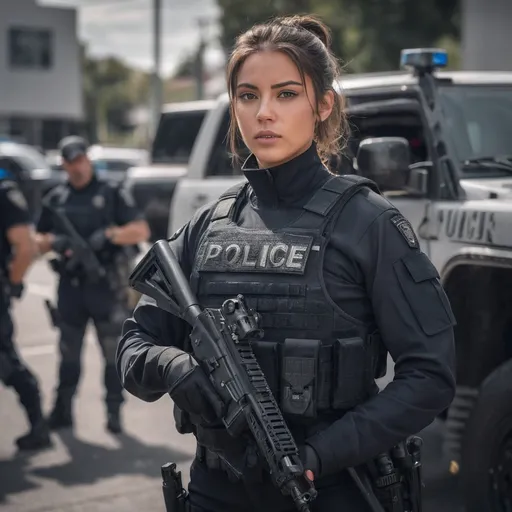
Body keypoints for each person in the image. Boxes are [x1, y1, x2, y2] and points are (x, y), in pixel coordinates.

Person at [116, 14, 456, 512]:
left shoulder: (368, 223)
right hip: (218, 491)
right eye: (248, 95)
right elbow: (133, 343)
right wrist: (174, 367)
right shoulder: (209, 225)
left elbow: (430, 376)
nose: (264, 113)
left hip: (329, 489)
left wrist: (318, 454)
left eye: (286, 94)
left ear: (323, 105)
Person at [35, 136, 150, 434]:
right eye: (70, 162)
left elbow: (140, 231)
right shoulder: (56, 199)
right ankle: (63, 411)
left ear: (88, 159)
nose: (77, 167)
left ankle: (114, 413)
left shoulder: (111, 193)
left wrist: (110, 235)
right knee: (68, 353)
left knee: (112, 354)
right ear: (63, 164)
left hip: (106, 287)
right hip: (71, 288)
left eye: (81, 160)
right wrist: (55, 242)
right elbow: (35, 240)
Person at [0, 168, 52, 451]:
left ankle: (38, 426)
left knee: (7, 362)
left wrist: (12, 282)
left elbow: (25, 246)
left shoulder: (4, 193)